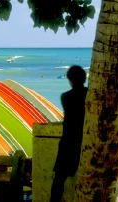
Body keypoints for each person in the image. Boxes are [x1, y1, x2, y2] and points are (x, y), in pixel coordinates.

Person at [51, 65, 88, 202]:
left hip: (68, 141)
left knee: (59, 178)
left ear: (70, 80)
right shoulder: (90, 95)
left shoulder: (65, 97)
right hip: (84, 140)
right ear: (84, 79)